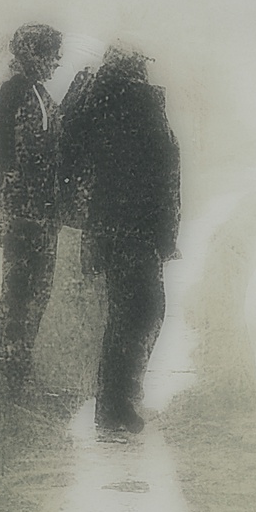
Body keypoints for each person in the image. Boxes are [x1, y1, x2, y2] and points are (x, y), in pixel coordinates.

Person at [60, 44, 181, 435]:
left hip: (117, 228)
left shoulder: (103, 103)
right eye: (140, 65)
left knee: (131, 313)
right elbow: (160, 167)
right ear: (132, 68)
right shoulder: (133, 102)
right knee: (141, 312)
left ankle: (119, 401)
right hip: (136, 228)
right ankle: (115, 407)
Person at [0, 22, 64, 402]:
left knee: (34, 293)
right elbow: (1, 160)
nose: (57, 62)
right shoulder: (12, 94)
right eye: (51, 55)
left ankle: (20, 371)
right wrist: (5, 211)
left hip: (38, 213)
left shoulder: (36, 92)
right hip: (24, 214)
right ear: (32, 54)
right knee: (20, 295)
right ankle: (14, 375)